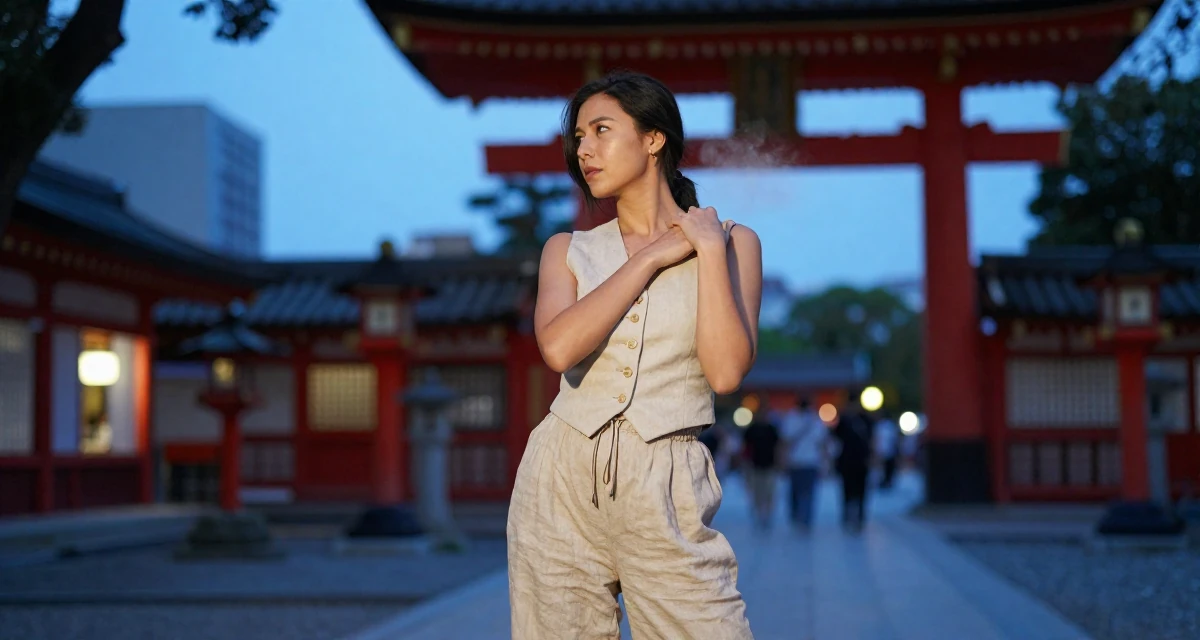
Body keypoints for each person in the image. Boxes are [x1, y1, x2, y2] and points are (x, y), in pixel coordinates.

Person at [506, 71, 762, 639]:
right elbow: (558, 347)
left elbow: (724, 372)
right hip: (559, 478)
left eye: (601, 130)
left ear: (654, 139)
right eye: (578, 137)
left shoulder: (734, 242)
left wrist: (707, 249)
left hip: (666, 478)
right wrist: (648, 258)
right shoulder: (566, 250)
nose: (585, 149)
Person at [779, 398, 827, 531]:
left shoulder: (790, 419)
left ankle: (797, 517)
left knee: (795, 492)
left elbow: (785, 442)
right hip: (811, 462)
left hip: (795, 461)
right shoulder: (816, 420)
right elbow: (822, 444)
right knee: (808, 493)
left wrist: (783, 460)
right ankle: (805, 519)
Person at [833, 401, 874, 533]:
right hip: (847, 462)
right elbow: (835, 437)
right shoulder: (844, 421)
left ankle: (859, 516)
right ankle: (848, 515)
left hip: (861, 462)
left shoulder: (865, 420)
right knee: (847, 490)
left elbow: (872, 440)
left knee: (861, 490)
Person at [741, 411, 781, 530]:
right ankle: (759, 514)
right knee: (756, 493)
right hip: (754, 466)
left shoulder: (772, 430)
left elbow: (778, 447)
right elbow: (745, 448)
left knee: (769, 493)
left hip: (769, 466)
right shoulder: (751, 430)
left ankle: (767, 515)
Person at [874, 410, 900, 490]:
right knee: (886, 468)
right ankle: (886, 481)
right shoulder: (890, 426)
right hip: (887, 450)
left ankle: (885, 481)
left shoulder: (880, 426)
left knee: (884, 468)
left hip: (882, 450)